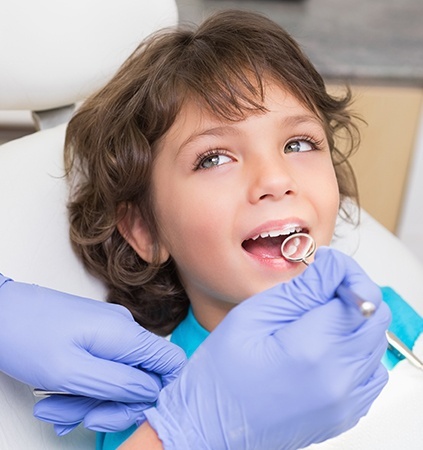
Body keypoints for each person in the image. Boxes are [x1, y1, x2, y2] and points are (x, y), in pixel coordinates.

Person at [30, 9, 394, 450]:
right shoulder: (151, 410)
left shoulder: (385, 317)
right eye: (214, 158)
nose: (277, 180)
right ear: (145, 230)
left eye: (298, 144)